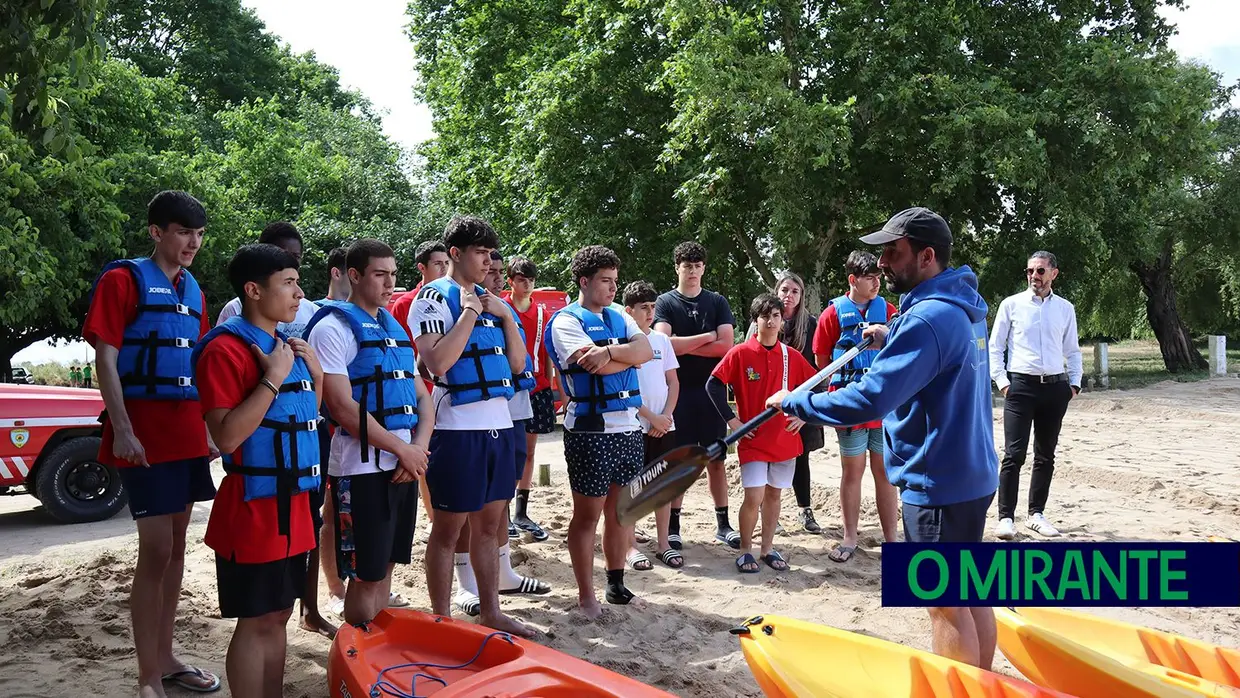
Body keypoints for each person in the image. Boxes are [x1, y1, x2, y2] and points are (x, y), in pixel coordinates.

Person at [766, 207, 999, 670]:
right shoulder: (961, 307)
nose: (883, 264)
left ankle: (963, 690)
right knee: (970, 591)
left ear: (927, 256)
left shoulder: (927, 320)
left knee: (945, 604)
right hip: (973, 474)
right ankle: (984, 684)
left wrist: (798, 403)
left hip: (938, 484)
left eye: (893, 252)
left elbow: (871, 399)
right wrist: (888, 333)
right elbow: (933, 347)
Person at [83, 190, 221, 697]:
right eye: (184, 231)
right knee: (156, 548)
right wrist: (121, 427)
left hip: (186, 430)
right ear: (156, 232)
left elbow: (202, 365)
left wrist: (208, 426)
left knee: (177, 548)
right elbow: (106, 356)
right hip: (142, 431)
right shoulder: (124, 279)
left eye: (199, 234)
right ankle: (147, 676)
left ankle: (165, 656)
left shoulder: (193, 290)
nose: (192, 242)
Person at [192, 243, 324, 697]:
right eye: (287, 283)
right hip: (253, 505)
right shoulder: (224, 350)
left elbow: (305, 418)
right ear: (253, 290)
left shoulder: (287, 346)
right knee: (256, 619)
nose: (299, 293)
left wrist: (315, 373)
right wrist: (272, 377)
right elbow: (227, 437)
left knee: (280, 613)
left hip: (296, 501)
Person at [411, 215, 536, 638]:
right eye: (480, 253)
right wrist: (468, 313)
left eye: (489, 253)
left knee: (489, 527)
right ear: (455, 254)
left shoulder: (493, 300)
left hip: (499, 426)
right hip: (456, 430)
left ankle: (491, 612)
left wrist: (503, 316)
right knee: (448, 530)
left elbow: (518, 365)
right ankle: (442, 620)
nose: (488, 262)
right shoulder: (432, 298)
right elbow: (437, 362)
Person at [304, 239, 433, 627]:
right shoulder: (331, 329)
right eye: (380, 274)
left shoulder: (391, 326)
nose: (390, 282)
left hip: (404, 463)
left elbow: (422, 397)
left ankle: (377, 657)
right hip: (360, 471)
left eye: (393, 274)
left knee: (387, 566)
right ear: (354, 275)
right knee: (366, 574)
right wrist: (403, 449)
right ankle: (358, 661)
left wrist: (418, 449)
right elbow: (342, 407)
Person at [546, 245, 653, 619]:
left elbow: (645, 351)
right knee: (587, 516)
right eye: (605, 281)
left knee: (620, 513)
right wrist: (617, 356)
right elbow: (595, 368)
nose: (611, 288)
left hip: (628, 428)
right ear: (584, 281)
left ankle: (616, 585)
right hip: (590, 431)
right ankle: (585, 595)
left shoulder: (619, 316)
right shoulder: (565, 321)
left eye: (615, 281)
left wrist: (608, 352)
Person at [447, 249, 552, 617]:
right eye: (488, 269)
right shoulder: (460, 307)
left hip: (513, 414)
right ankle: (465, 583)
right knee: (465, 509)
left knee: (498, 501)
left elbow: (520, 363)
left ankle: (503, 572)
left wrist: (505, 315)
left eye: (495, 270)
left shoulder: (506, 313)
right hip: (474, 419)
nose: (492, 276)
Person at [711, 293, 814, 573]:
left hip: (785, 440)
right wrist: (733, 421)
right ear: (755, 320)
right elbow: (714, 385)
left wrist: (804, 416)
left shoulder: (790, 356)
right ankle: (746, 550)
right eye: (765, 316)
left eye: (776, 316)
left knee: (774, 496)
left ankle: (767, 549)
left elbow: (815, 386)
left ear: (782, 321)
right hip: (752, 440)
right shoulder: (740, 353)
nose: (770, 321)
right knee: (753, 496)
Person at [811, 251, 901, 562]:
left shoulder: (889, 311)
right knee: (852, 471)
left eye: (878, 277)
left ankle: (892, 539)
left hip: (882, 404)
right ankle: (850, 537)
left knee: (885, 472)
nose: (877, 282)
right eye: (870, 277)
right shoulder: (832, 315)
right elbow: (822, 360)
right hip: (850, 403)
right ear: (853, 280)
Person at [988, 250, 1082, 540]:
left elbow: (1072, 349)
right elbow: (995, 346)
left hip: (1055, 388)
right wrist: (1003, 382)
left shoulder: (1065, 308)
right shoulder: (1011, 305)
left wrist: (1074, 384)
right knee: (1013, 454)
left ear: (1054, 273)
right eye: (1030, 271)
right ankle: (1005, 517)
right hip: (1020, 387)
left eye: (1040, 271)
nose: (1034, 277)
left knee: (1045, 455)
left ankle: (1036, 514)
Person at [653, 241, 737, 550]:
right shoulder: (664, 302)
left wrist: (683, 343)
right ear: (677, 268)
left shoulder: (717, 302)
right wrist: (706, 337)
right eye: (687, 265)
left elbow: (726, 346)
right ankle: (674, 527)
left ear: (704, 268)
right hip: (678, 393)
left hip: (712, 391)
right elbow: (664, 344)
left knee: (716, 459)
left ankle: (723, 524)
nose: (692, 271)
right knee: (680, 461)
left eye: (697, 265)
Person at [746, 272, 824, 533]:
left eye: (794, 291)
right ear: (776, 292)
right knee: (765, 457)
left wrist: (805, 410)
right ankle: (769, 515)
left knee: (801, 456)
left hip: (799, 401)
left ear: (801, 297)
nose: (788, 296)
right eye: (784, 290)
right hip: (767, 402)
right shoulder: (760, 321)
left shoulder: (810, 325)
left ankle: (805, 509)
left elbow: (816, 370)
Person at [622, 280, 682, 569]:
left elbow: (673, 381)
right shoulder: (623, 342)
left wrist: (666, 416)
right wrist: (650, 416)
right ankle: (630, 546)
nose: (650, 313)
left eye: (653, 307)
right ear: (628, 311)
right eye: (643, 308)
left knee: (663, 485)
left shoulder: (661, 341)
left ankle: (663, 543)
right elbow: (624, 387)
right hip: (635, 424)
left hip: (664, 424)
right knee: (632, 487)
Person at [501, 256, 561, 542]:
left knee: (529, 451)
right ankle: (504, 508)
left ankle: (521, 511)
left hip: (537, 388)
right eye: (521, 279)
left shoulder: (541, 313)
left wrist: (550, 385)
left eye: (530, 280)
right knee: (508, 451)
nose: (527, 285)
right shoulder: (502, 307)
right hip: (509, 388)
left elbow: (547, 353)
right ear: (510, 281)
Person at [312, 245, 350, 621]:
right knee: (329, 511)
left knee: (346, 511)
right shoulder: (316, 314)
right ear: (340, 273)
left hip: (357, 430)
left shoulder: (368, 318)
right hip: (326, 427)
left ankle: (355, 584)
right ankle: (334, 588)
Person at [216, 222, 320, 338]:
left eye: (295, 256)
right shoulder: (225, 346)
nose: (300, 294)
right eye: (279, 253)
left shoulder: (312, 312)